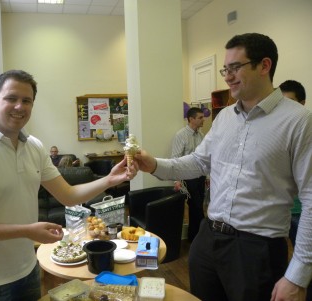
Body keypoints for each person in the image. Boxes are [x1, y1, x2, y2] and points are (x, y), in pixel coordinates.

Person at [134, 33, 312, 301]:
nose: (227, 76)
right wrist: (154, 164)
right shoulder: (225, 117)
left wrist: (298, 275)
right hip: (208, 238)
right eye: (225, 69)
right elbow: (198, 161)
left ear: (264, 66)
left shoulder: (298, 121)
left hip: (256, 249)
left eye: (235, 67)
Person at [0, 70, 137, 301]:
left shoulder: (33, 147)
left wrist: (110, 180)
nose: (19, 106)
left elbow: (68, 195)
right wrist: (26, 230)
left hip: (27, 270)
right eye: (11, 98)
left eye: (26, 101)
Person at [279, 80, 312, 301]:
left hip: (303, 212)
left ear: (302, 103)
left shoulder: (307, 130)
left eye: (290, 103)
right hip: (284, 210)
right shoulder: (281, 132)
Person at [171, 107, 206, 242]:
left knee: (197, 206)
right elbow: (175, 158)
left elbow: (205, 158)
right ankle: (201, 235)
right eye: (200, 117)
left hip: (200, 176)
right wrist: (177, 180)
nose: (203, 120)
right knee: (196, 206)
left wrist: (207, 176)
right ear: (191, 119)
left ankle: (194, 237)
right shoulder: (181, 135)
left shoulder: (201, 135)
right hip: (188, 176)